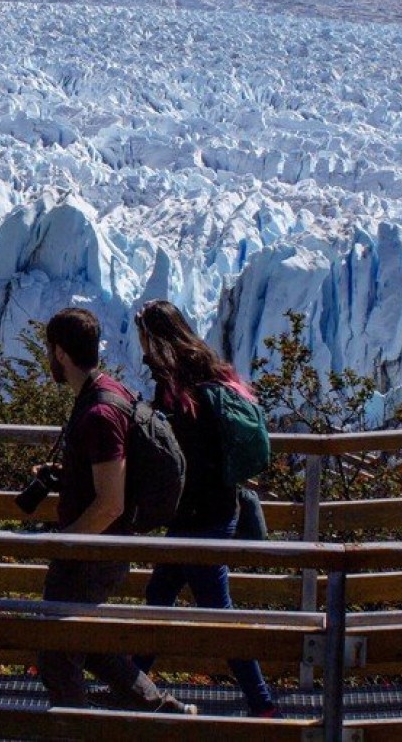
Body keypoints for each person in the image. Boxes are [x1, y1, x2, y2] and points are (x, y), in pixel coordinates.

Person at [33, 307, 196, 714]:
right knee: (87, 644)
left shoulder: (100, 412)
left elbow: (110, 503)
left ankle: (74, 729)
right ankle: (163, 710)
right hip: (98, 546)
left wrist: (64, 540)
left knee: (57, 650)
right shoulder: (107, 391)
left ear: (61, 354)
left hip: (91, 550)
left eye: (50, 352)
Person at [133, 299, 279, 718]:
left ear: (154, 337)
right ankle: (130, 685)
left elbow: (178, 455)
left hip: (199, 518)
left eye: (143, 334)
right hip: (215, 510)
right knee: (159, 597)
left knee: (217, 615)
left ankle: (264, 706)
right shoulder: (209, 370)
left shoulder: (178, 387)